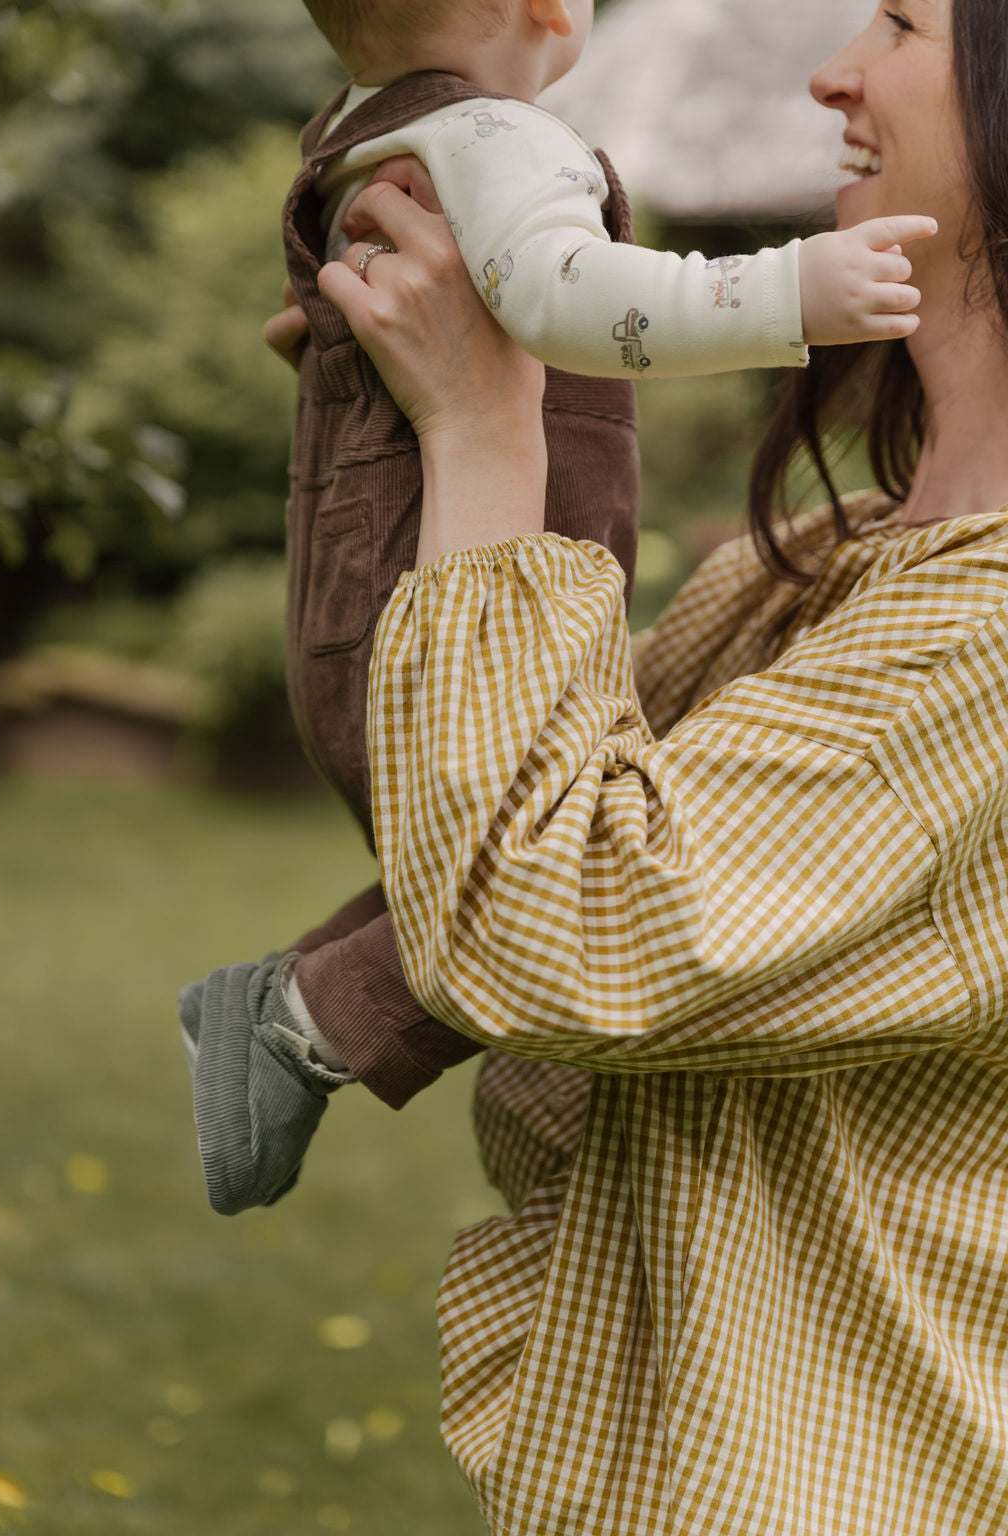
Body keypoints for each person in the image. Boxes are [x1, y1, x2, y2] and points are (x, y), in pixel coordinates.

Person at [308, 0, 1008, 1530]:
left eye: (897, 22)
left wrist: (486, 429)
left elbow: (540, 926)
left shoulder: (985, 647)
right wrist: (406, 405)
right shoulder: (832, 561)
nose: (830, 69)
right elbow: (508, 772)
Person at [179, 0, 933, 1215]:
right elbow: (574, 298)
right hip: (438, 618)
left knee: (524, 834)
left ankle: (299, 1008)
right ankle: (310, 1018)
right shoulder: (501, 137)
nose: (833, 68)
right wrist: (788, 291)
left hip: (373, 608)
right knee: (518, 853)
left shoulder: (358, 132)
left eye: (898, 23)